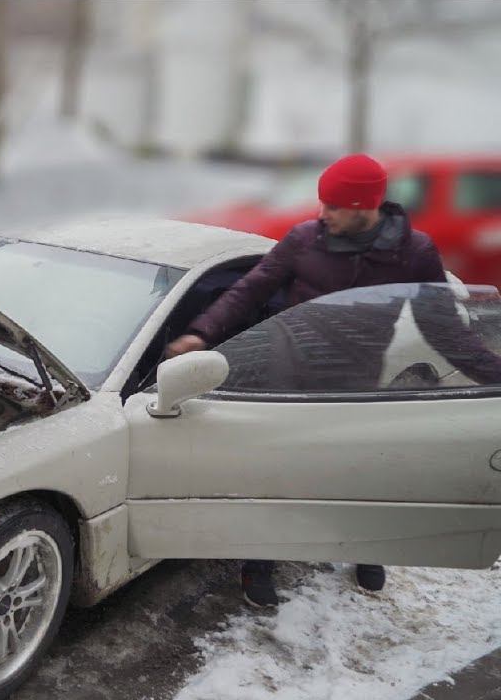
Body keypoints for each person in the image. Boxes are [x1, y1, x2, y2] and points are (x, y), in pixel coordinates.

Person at [165, 153, 501, 608]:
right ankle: (261, 560)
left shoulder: (414, 253)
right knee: (280, 472)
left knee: (361, 471)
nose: (322, 213)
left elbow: (443, 329)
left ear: (365, 207)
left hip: (356, 381)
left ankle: (366, 547)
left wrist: (492, 375)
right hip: (290, 373)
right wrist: (200, 334)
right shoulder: (304, 239)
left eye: (334, 206)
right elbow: (250, 290)